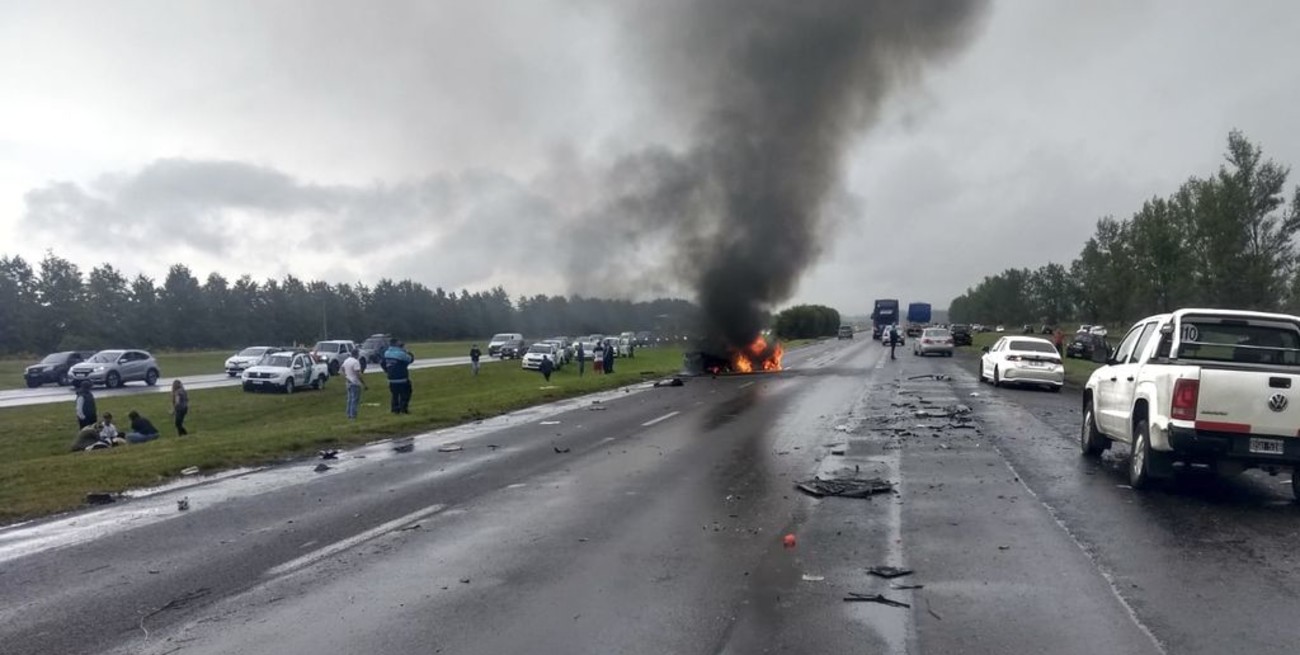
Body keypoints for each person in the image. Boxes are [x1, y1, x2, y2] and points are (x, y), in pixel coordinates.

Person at [382, 338, 414, 414]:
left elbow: (383, 363)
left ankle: (395, 409)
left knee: (395, 394)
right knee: (406, 393)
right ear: (397, 344)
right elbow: (410, 359)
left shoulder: (387, 353)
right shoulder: (400, 353)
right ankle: (403, 409)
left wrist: (387, 371)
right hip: (401, 377)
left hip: (391, 378)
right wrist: (406, 351)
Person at [341, 348, 366, 420]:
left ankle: (348, 414)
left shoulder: (347, 360)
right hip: (355, 383)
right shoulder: (356, 362)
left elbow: (342, 369)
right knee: (355, 400)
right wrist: (363, 383)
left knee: (349, 399)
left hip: (348, 382)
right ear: (357, 354)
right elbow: (358, 373)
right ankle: (353, 416)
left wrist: (346, 376)